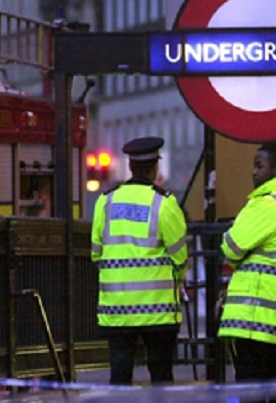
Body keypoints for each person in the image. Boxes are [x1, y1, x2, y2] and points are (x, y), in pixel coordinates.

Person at [90, 136, 188, 385]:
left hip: (117, 308)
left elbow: (95, 253)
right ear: (155, 168)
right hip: (157, 310)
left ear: (131, 167)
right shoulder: (164, 203)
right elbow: (179, 256)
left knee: (120, 377)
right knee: (161, 377)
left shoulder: (106, 201)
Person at [219, 143, 276, 403]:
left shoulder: (266, 204)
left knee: (250, 390)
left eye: (260, 165)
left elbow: (231, 246)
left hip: (253, 313)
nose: (253, 172)